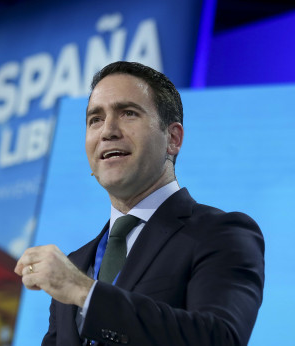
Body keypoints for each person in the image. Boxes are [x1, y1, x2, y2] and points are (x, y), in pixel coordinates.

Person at [14, 61, 264, 345]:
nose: (108, 131)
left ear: (172, 138)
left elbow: (220, 338)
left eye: (128, 113)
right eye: (95, 119)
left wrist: (85, 293)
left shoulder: (221, 233)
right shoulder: (77, 262)